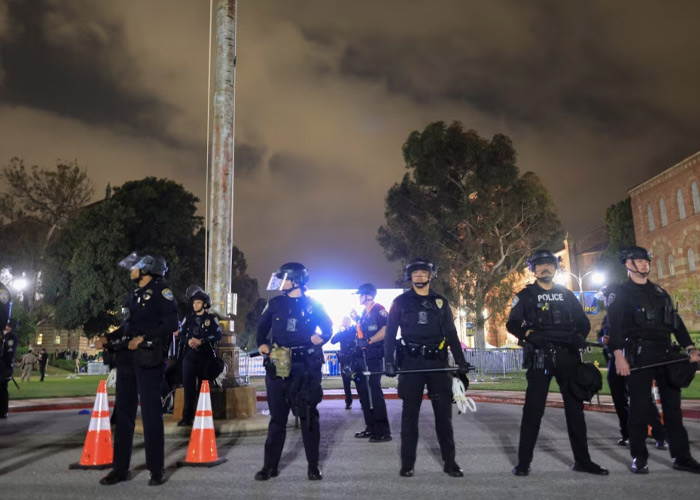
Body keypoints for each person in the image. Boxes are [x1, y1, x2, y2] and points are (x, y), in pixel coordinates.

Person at [506, 249, 608, 477]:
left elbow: (582, 322)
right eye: (540, 265)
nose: (545, 268)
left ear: (555, 268)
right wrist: (530, 335)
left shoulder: (567, 294)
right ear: (533, 269)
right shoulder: (525, 296)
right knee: (533, 411)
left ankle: (583, 461)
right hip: (541, 357)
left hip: (568, 357)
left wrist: (579, 337)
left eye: (549, 264)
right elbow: (512, 324)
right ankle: (524, 463)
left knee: (575, 412)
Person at [607, 246, 700, 474]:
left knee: (673, 410)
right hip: (639, 355)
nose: (644, 264)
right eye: (639, 260)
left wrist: (690, 347)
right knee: (639, 408)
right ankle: (639, 457)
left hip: (666, 354)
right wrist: (619, 356)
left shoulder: (660, 292)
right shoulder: (619, 293)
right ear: (627, 264)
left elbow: (675, 322)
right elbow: (616, 327)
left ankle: (682, 457)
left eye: (646, 260)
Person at [97, 253, 179, 486]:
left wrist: (144, 337)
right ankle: (120, 468)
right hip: (126, 358)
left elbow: (172, 324)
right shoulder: (132, 295)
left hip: (148, 358)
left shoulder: (163, 292)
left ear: (147, 269)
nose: (131, 271)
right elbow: (126, 327)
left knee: (152, 414)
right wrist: (107, 337)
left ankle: (156, 469)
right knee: (123, 414)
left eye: (135, 267)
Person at [384, 258, 470, 478]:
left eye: (424, 273)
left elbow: (451, 333)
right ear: (410, 276)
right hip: (411, 363)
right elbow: (390, 334)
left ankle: (450, 462)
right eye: (415, 273)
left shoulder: (441, 302)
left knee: (444, 417)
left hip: (437, 364)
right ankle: (407, 463)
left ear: (431, 276)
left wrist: (460, 361)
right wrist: (389, 362)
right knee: (409, 416)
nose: (419, 276)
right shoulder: (400, 302)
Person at [254, 262, 333, 481]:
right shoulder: (275, 303)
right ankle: (269, 466)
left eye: (284, 278)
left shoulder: (313, 305)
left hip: (306, 366)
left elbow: (328, 328)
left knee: (308, 416)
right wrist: (262, 345)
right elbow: (261, 330)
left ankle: (313, 466)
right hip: (279, 366)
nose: (280, 282)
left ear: (296, 281)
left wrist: (321, 337)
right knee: (277, 419)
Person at [597, 313, 666, 449]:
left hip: (633, 361)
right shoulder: (609, 317)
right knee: (619, 401)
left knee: (642, 399)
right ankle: (627, 434)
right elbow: (601, 335)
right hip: (614, 362)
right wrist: (602, 340)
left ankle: (660, 435)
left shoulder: (633, 313)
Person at [352, 283, 391, 442]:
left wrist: (369, 340)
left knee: (374, 391)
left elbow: (387, 329)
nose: (359, 298)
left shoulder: (379, 309)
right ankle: (371, 426)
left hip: (373, 355)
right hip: (362, 356)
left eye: (361, 294)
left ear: (368, 295)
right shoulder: (364, 313)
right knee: (363, 392)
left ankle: (383, 430)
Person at [177, 286, 222, 426]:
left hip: (205, 356)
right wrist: (189, 340)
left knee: (204, 388)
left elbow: (218, 335)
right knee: (188, 389)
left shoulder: (211, 318)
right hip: (190, 356)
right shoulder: (188, 318)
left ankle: (204, 415)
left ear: (204, 304)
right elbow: (181, 334)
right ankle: (187, 418)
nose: (195, 305)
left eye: (198, 302)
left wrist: (202, 341)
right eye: (194, 302)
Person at [330, 317, 356, 409]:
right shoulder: (341, 333)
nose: (344, 323)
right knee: (346, 382)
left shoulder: (354, 330)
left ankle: (363, 401)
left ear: (349, 322)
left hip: (354, 358)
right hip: (344, 359)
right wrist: (339, 331)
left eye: (346, 322)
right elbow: (333, 341)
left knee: (359, 380)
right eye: (343, 322)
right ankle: (348, 402)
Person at [1, 317, 18, 419]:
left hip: (4, 367)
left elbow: (9, 354)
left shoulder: (11, 337)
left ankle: (3, 411)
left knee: (2, 389)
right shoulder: (3, 336)